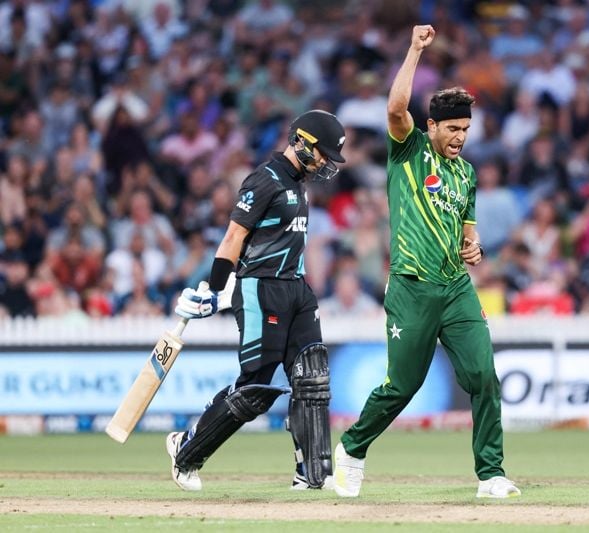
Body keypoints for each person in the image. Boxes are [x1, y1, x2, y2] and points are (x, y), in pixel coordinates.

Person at [332, 25, 521, 500]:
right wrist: (415, 49)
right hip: (412, 288)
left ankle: (491, 474)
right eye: (452, 129)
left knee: (483, 376)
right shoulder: (410, 150)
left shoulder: (467, 173)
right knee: (403, 386)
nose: (459, 138)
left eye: (465, 130)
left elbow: (468, 234)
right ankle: (352, 449)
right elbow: (396, 108)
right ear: (431, 126)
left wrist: (473, 248)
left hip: (456, 287)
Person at [166, 109, 346, 492]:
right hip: (261, 289)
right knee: (255, 389)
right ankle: (186, 450)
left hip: (297, 288)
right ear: (301, 142)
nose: (327, 163)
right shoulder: (263, 180)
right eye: (324, 154)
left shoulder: (300, 184)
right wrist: (216, 290)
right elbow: (232, 238)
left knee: (312, 376)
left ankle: (314, 474)